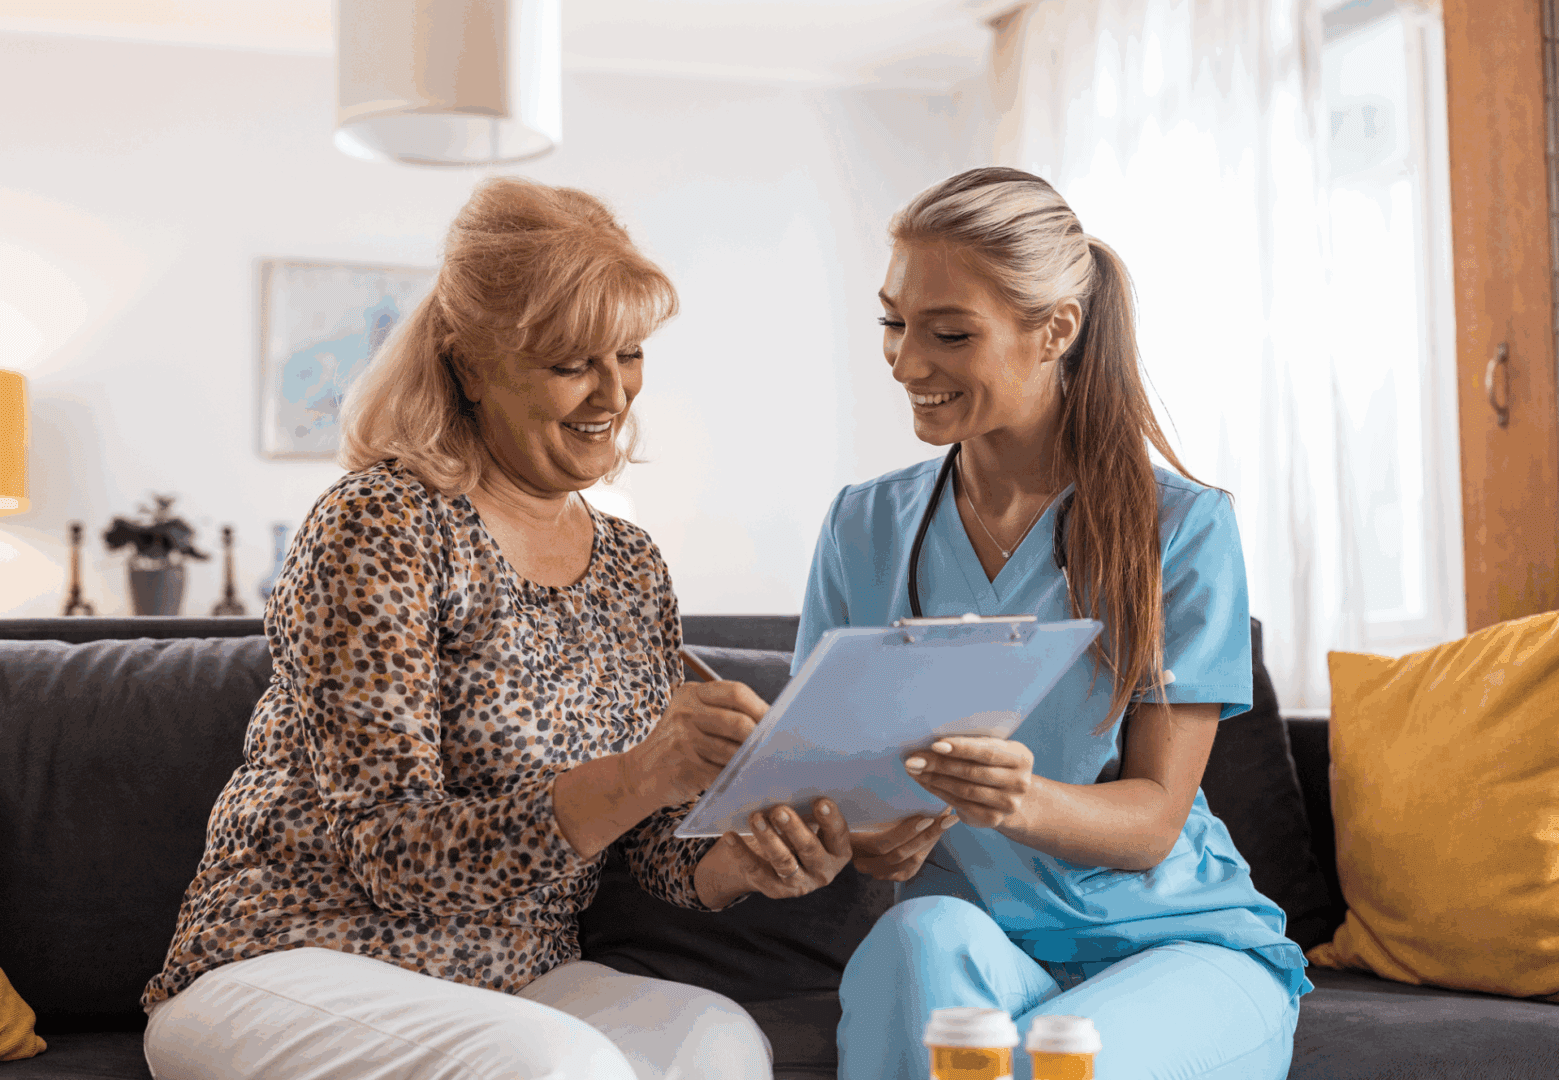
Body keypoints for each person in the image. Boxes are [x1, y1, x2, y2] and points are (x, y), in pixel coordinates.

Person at [141, 177, 853, 1080]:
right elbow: (392, 856)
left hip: (510, 979)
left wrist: (742, 862)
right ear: (469, 366)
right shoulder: (380, 525)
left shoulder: (630, 565)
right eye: (570, 364)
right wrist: (639, 771)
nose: (612, 394)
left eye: (628, 354)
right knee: (554, 1066)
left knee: (714, 1046)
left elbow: (645, 846)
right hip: (292, 957)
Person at [796, 167, 1313, 1080]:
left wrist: (1018, 799)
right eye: (893, 323)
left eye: (949, 333)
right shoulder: (861, 525)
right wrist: (857, 835)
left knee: (1047, 1062)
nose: (906, 363)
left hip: (1176, 950)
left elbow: (1154, 819)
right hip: (983, 947)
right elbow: (824, 786)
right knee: (910, 945)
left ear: (1055, 331)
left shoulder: (1184, 528)